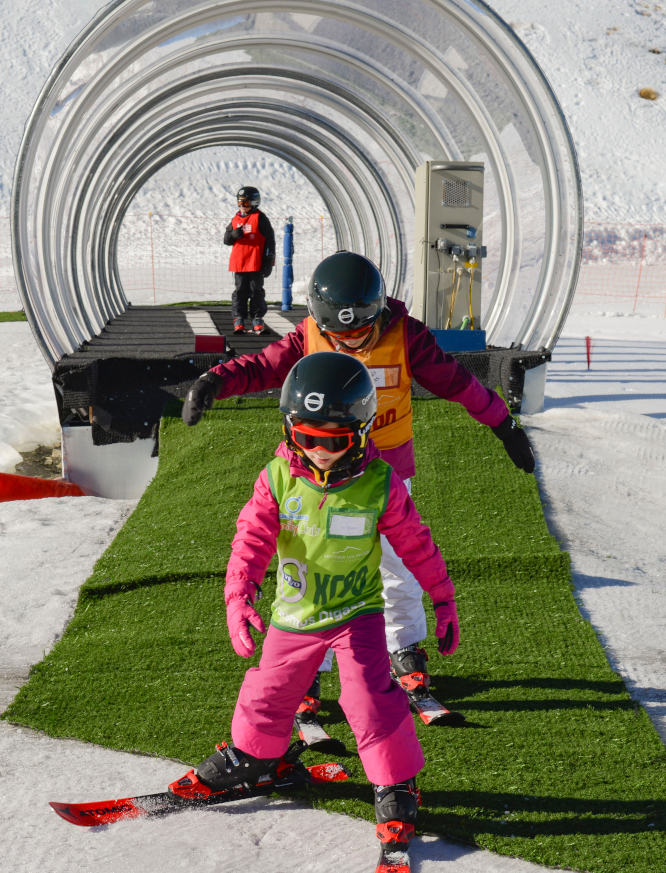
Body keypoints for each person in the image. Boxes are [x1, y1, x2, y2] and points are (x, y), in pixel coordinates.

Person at [181, 251, 534, 723]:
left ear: (378, 314)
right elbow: (261, 367)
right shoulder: (306, 337)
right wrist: (212, 381)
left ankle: (406, 651)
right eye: (338, 335)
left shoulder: (405, 337)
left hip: (385, 475)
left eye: (359, 332)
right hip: (320, 476)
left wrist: (502, 423)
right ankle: (312, 667)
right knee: (309, 568)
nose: (348, 341)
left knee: (398, 565)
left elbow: (456, 382)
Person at [173, 351, 459, 872]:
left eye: (335, 440)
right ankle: (257, 757)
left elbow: (417, 544)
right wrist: (239, 596)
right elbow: (251, 539)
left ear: (362, 431)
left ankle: (397, 786)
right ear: (289, 429)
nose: (320, 452)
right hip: (294, 616)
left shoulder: (380, 484)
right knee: (267, 692)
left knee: (369, 699)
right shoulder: (279, 477)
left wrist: (443, 598)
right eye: (307, 438)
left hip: (356, 614)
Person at [223, 185, 275, 335]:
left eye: (245, 203)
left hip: (255, 262)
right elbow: (226, 239)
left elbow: (270, 240)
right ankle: (238, 318)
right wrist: (233, 234)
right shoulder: (235, 218)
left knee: (256, 291)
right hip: (239, 263)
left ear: (254, 203)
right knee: (240, 292)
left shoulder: (260, 218)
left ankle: (257, 319)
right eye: (239, 202)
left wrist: (269, 259)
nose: (242, 206)